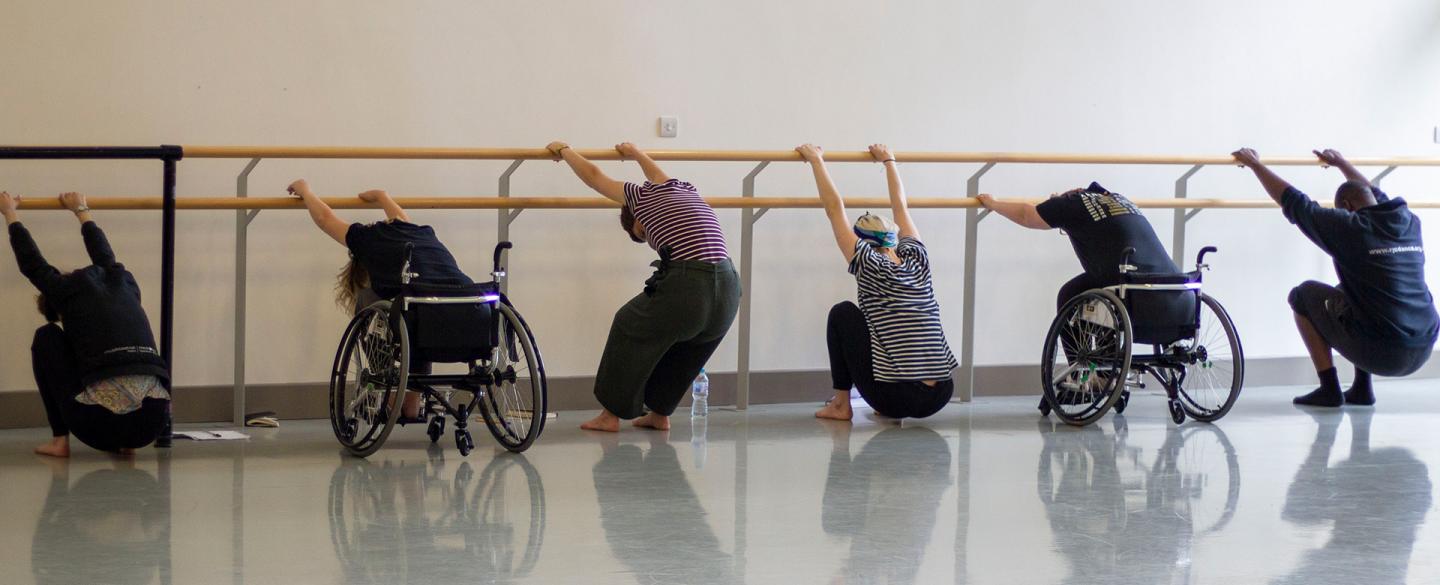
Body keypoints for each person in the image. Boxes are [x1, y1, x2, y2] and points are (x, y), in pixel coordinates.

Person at [547, 141, 740, 432]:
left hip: (690, 285)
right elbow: (656, 172)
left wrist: (564, 151)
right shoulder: (683, 187)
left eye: (641, 234)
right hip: (729, 287)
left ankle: (609, 416)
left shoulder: (637, 197)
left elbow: (594, 175)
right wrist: (635, 152)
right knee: (690, 346)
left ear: (634, 217)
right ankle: (659, 414)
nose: (648, 239)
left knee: (627, 323)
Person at [1233, 148, 1438, 406]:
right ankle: (1362, 390)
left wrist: (1255, 165)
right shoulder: (1408, 221)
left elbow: (1295, 203)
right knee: (1348, 291)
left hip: (1386, 352)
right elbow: (1372, 192)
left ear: (1348, 208)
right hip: (1425, 344)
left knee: (1302, 296)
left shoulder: (1350, 228)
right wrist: (1342, 163)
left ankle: (1329, 389)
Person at [978, 182, 1182, 409]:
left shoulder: (1072, 204)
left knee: (1069, 295)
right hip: (1176, 296)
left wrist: (993, 204)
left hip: (1134, 300)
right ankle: (1104, 370)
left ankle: (1088, 371)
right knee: (1096, 290)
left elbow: (1028, 214)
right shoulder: (1120, 200)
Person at [1, 191, 170, 457]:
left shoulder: (63, 291)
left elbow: (31, 263)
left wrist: (9, 212)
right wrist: (81, 210)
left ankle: (59, 441)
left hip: (97, 428)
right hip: (152, 424)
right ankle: (127, 445)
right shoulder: (123, 281)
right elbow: (104, 253)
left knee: (47, 336)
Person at [796, 144, 957, 421]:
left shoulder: (869, 264)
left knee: (843, 313)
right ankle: (875, 396)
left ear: (864, 244)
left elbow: (834, 209)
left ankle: (840, 404)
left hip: (898, 399)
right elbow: (901, 207)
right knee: (882, 327)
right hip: (942, 393)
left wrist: (816, 160)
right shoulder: (917, 258)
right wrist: (889, 161)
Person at [288, 180, 474, 419]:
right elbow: (401, 219)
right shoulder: (420, 233)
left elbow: (325, 218)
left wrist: (305, 191)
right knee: (420, 315)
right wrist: (383, 197)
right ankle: (412, 399)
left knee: (376, 301)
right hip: (469, 312)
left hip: (422, 319)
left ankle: (388, 381)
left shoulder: (367, 238)